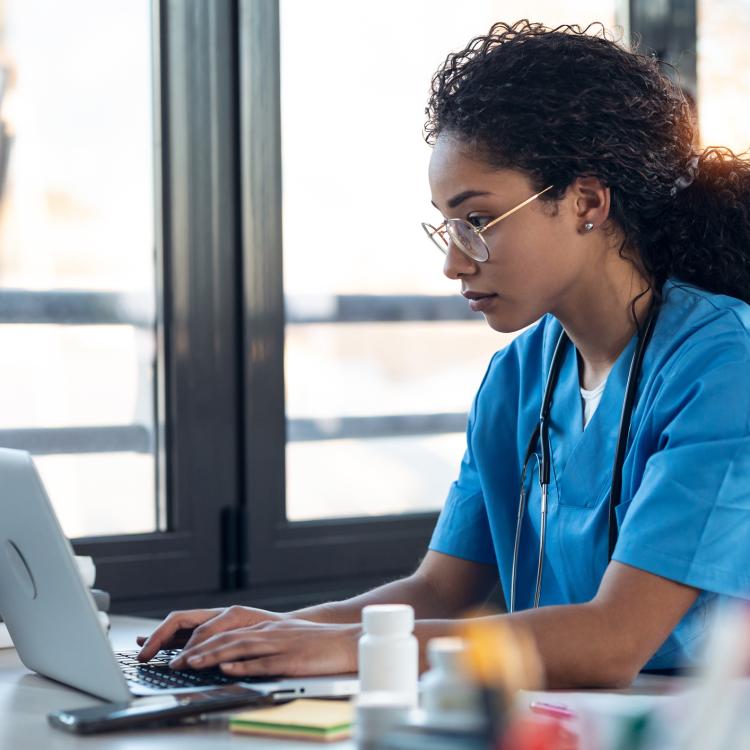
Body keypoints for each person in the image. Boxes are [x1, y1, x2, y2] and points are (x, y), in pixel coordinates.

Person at [137, 21, 750, 688]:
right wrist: (274, 632)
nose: (455, 263)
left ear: (586, 201)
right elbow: (437, 589)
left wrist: (348, 650)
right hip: (553, 719)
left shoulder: (723, 367)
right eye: (447, 227)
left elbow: (611, 642)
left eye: (478, 221)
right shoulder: (517, 376)